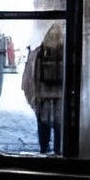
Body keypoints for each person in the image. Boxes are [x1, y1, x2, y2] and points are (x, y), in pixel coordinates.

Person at [23, 23, 67, 154]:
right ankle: (59, 150)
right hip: (61, 95)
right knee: (59, 123)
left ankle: (44, 148)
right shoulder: (66, 51)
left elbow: (31, 76)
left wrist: (35, 94)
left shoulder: (39, 52)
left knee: (43, 122)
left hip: (43, 95)